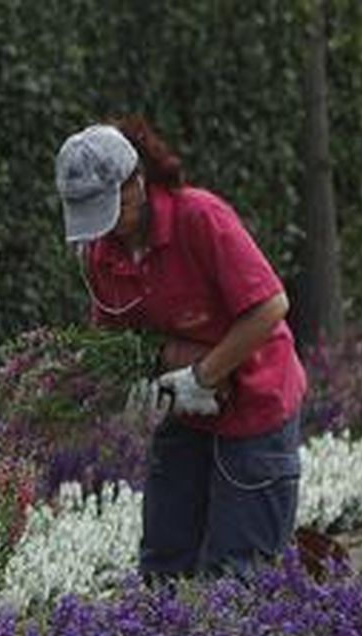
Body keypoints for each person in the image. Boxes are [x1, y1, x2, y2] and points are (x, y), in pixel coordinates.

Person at [54, 117, 306, 578]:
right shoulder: (102, 254)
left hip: (255, 403)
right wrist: (124, 383)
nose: (106, 227)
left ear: (137, 182)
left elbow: (270, 307)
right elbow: (116, 339)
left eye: (110, 207)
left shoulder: (199, 218)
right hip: (184, 409)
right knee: (164, 563)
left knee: (238, 573)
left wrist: (202, 375)